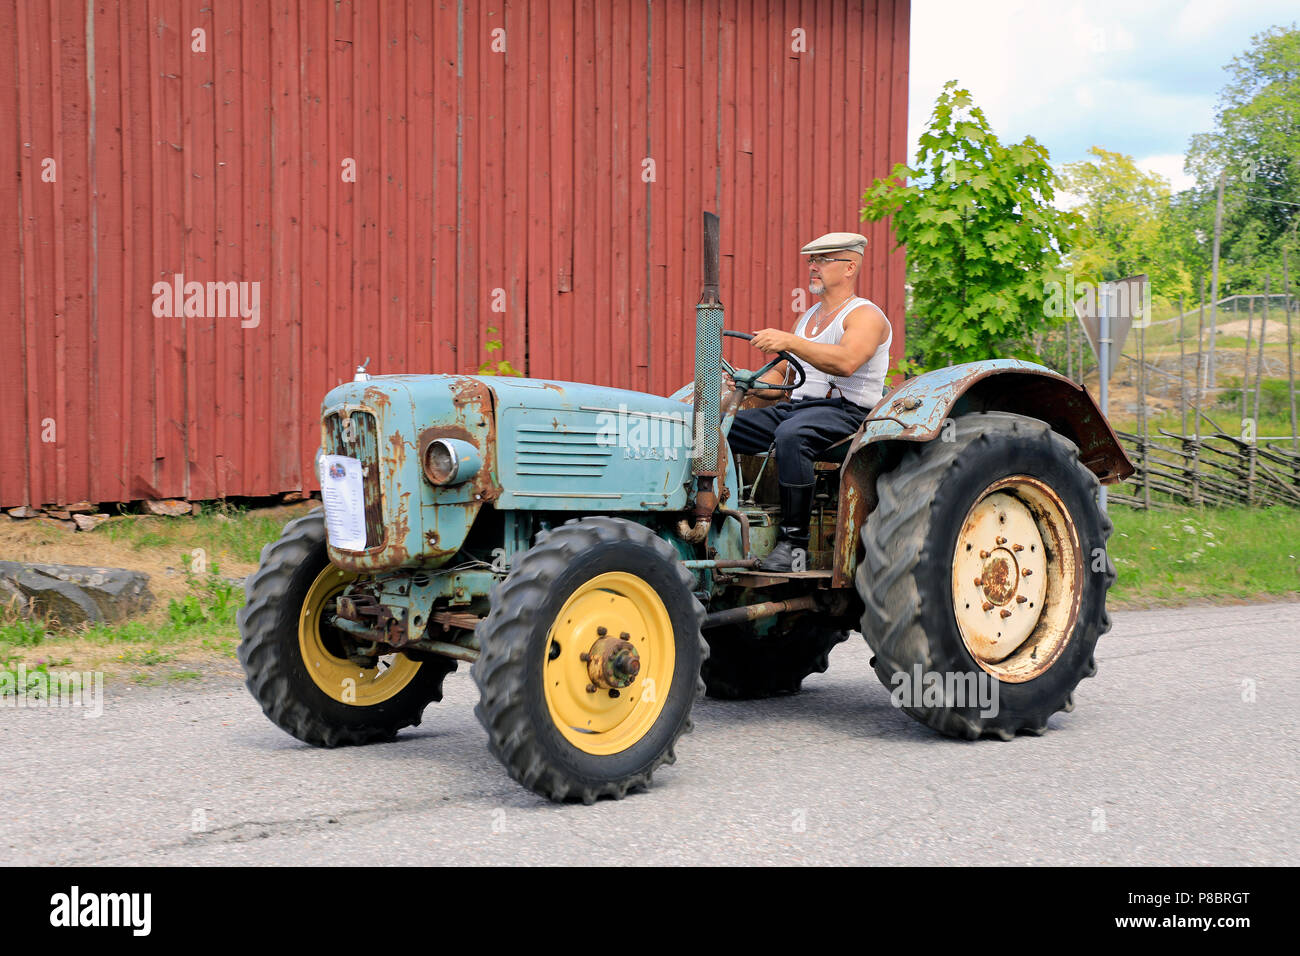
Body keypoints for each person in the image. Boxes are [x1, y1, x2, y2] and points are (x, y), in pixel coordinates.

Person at [727, 232, 893, 572]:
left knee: (792, 435)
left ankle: (793, 546)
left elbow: (846, 361)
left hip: (848, 413)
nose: (812, 267)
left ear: (849, 267)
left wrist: (789, 340)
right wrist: (751, 383)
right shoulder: (807, 319)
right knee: (721, 429)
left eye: (822, 260)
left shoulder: (865, 316)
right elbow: (782, 382)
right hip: (799, 408)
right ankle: (719, 514)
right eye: (811, 261)